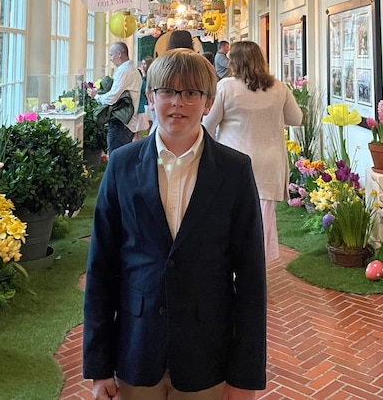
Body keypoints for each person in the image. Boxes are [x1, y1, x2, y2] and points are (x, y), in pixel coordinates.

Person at [83, 49, 267, 400]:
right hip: (136, 351)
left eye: (191, 93)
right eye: (167, 91)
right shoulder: (122, 166)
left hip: (207, 355)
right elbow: (101, 269)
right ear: (150, 98)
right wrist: (98, 366)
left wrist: (246, 375)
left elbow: (251, 278)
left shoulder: (234, 170)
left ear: (208, 102)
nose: (177, 103)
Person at [203, 40, 302, 265]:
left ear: (234, 62)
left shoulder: (226, 87)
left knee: (232, 215)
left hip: (234, 161)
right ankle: (258, 270)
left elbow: (208, 125)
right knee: (264, 219)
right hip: (269, 161)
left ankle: (233, 266)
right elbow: (296, 119)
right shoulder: (279, 88)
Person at [88, 42, 142, 154]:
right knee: (122, 160)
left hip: (121, 123)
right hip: (128, 123)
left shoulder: (124, 71)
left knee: (115, 159)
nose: (110, 59)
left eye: (111, 55)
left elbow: (113, 97)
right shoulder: (132, 70)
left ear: (119, 54)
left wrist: (96, 96)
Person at [136, 55, 154, 136]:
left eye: (144, 64)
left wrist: (143, 75)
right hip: (145, 104)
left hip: (148, 104)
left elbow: (145, 89)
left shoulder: (149, 78)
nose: (142, 66)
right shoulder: (142, 77)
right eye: (142, 64)